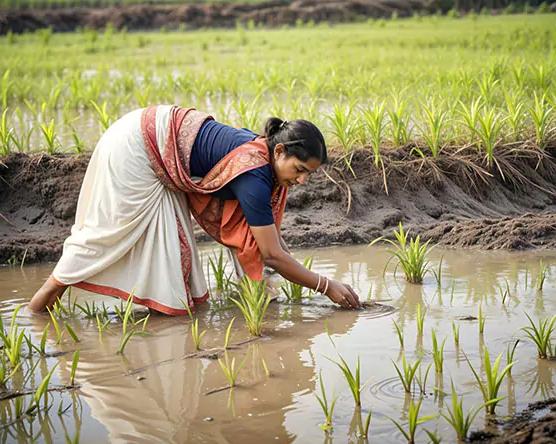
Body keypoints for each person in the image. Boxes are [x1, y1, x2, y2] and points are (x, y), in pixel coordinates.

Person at [27, 105, 361, 315]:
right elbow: (272, 254)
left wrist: (285, 283)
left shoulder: (264, 160)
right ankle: (40, 305)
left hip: (154, 136)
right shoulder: (255, 175)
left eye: (308, 175)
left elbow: (265, 242)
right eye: (300, 169)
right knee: (110, 234)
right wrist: (325, 285)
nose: (302, 180)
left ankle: (257, 294)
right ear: (280, 151)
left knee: (174, 244)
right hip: (138, 148)